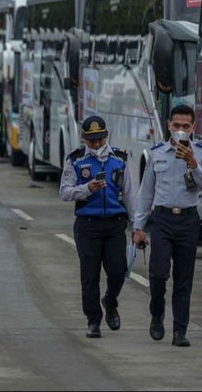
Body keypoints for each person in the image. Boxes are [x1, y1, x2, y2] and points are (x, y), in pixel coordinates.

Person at [133, 104, 202, 347]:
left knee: (184, 278)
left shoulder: (201, 153)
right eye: (176, 126)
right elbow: (146, 193)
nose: (181, 130)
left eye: (186, 127)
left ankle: (180, 330)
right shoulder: (157, 152)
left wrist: (193, 163)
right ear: (169, 125)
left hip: (188, 221)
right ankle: (157, 313)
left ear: (193, 128)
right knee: (158, 274)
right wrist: (138, 226)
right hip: (162, 220)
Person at [59, 115, 136, 338]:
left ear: (106, 136)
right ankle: (93, 320)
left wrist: (137, 226)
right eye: (91, 140)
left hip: (115, 224)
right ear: (84, 139)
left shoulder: (119, 159)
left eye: (100, 140)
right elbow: (64, 191)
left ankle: (110, 302)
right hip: (88, 224)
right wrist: (86, 189)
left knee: (117, 271)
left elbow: (129, 194)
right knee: (89, 275)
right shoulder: (75, 160)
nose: (96, 145)